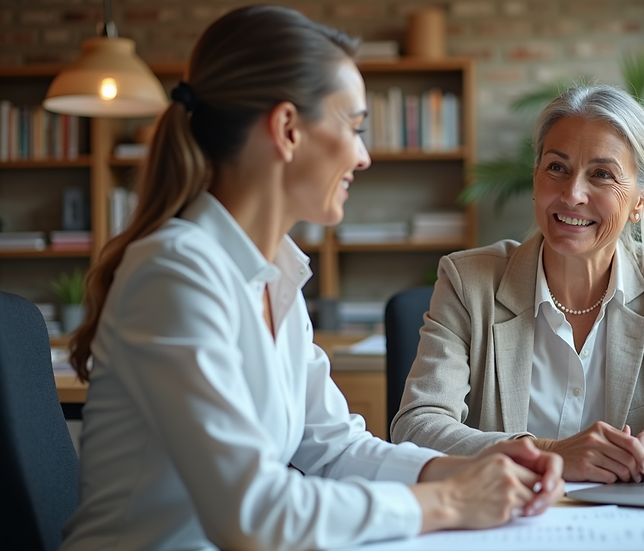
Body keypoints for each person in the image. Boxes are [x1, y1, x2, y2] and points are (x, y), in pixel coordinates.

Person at [60, 6, 563, 551]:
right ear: (287, 129)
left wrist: (466, 465)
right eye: (354, 127)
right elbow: (252, 514)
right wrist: (452, 502)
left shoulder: (274, 273)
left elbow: (335, 448)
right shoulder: (175, 273)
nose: (364, 156)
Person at [390, 84, 644, 485]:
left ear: (642, 198)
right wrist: (551, 453)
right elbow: (417, 425)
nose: (572, 194)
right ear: (536, 176)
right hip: (501, 519)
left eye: (602, 175)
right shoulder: (468, 282)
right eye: (557, 168)